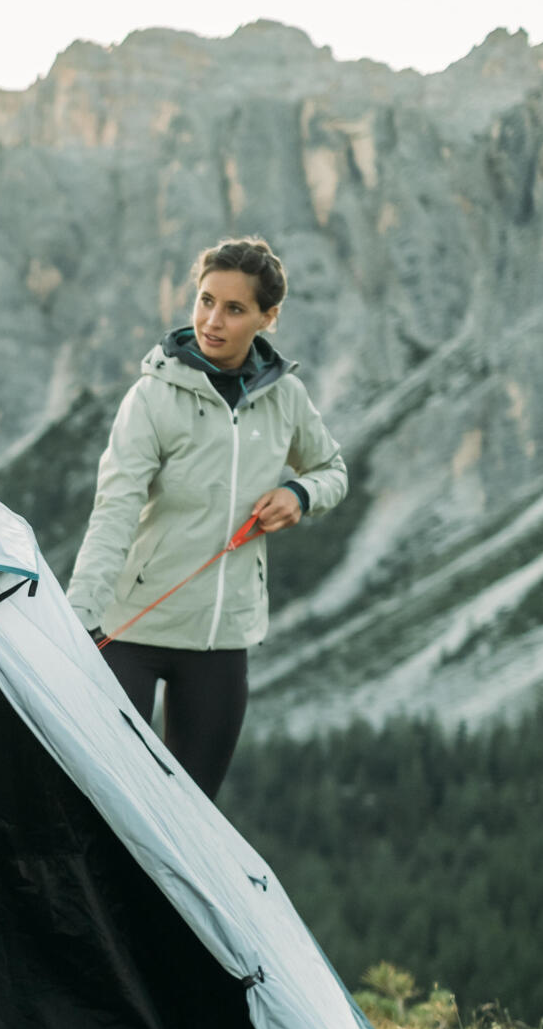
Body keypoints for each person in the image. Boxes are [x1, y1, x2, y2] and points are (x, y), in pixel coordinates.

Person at [67, 237, 347, 800]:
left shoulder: (286, 397)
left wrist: (301, 493)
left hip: (223, 641)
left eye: (234, 309)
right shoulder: (151, 397)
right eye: (204, 300)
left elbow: (331, 469)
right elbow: (115, 511)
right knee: (103, 803)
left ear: (268, 318)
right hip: (129, 631)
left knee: (190, 818)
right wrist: (76, 620)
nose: (212, 321)